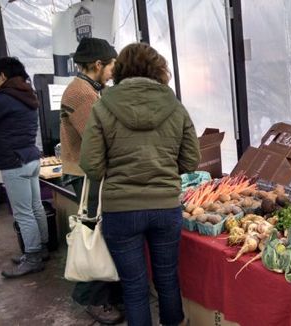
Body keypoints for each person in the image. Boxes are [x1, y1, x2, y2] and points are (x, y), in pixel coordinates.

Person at [80, 43, 200, 326]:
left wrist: (120, 170)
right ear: (158, 69)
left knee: (134, 287)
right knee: (167, 278)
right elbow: (191, 160)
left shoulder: (102, 106)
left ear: (120, 69)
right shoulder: (175, 106)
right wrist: (163, 169)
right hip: (165, 207)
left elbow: (91, 165)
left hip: (120, 211)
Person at [59, 37, 123, 325]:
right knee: (93, 234)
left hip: (90, 172)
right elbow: (96, 139)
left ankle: (107, 292)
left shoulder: (89, 89)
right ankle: (92, 298)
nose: (113, 72)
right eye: (111, 66)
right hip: (86, 175)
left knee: (99, 231)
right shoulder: (82, 93)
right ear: (98, 65)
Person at [0, 57, 49, 278]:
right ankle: (42, 247)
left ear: (2, 75)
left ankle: (33, 257)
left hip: (14, 161)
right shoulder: (28, 95)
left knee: (23, 212)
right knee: (35, 206)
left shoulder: (3, 99)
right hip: (31, 158)